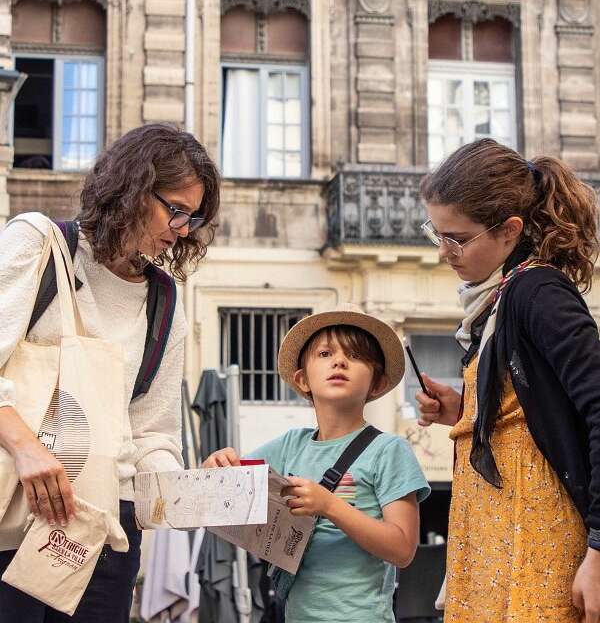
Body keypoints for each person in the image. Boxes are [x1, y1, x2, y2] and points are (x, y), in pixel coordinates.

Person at [0, 123, 220, 623]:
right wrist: (24, 446)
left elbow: (150, 434)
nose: (182, 230)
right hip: (17, 512)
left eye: (194, 217)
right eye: (176, 209)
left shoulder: (164, 301)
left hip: (109, 530)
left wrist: (194, 489)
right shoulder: (38, 243)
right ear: (133, 188)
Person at [416, 138, 600, 623]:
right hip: (500, 540)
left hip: (537, 543)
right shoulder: (498, 299)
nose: (443, 251)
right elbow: (530, 411)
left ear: (509, 230)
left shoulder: (537, 291)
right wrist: (467, 411)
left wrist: (599, 553)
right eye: (436, 233)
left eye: (456, 237)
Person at [204, 305, 430, 623]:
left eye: (355, 355)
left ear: (377, 382)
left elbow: (403, 549)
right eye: (324, 354)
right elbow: (224, 489)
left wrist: (330, 506)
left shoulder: (389, 450)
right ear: (302, 380)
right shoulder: (288, 445)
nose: (339, 361)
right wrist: (215, 466)